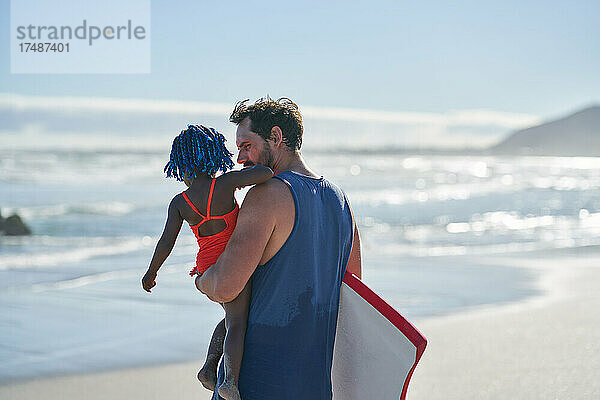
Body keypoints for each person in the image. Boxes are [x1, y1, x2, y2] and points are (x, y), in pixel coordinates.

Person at [196, 97, 362, 400]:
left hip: (259, 382)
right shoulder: (341, 201)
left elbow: (224, 287)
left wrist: (200, 278)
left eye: (247, 145)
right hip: (316, 385)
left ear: (276, 136)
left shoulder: (267, 195)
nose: (240, 157)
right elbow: (353, 295)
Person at [141, 124, 273, 400]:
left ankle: (208, 369)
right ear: (213, 158)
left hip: (205, 271)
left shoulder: (180, 202)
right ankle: (230, 383)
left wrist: (151, 273)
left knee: (231, 316)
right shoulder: (224, 184)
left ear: (181, 164)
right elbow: (266, 174)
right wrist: (241, 173)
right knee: (238, 322)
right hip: (232, 267)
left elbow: (166, 242)